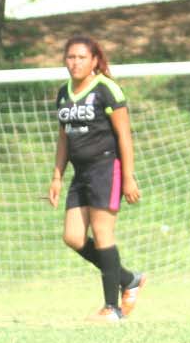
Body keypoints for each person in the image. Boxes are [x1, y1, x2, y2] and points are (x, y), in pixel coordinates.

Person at [45, 35, 144, 322]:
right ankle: (128, 279)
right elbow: (64, 138)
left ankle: (112, 309)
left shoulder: (106, 89)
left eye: (81, 57)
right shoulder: (64, 93)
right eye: (70, 57)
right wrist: (56, 177)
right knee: (73, 237)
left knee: (103, 236)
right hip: (80, 174)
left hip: (106, 170)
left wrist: (128, 177)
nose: (74, 63)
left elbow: (125, 135)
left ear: (95, 61)